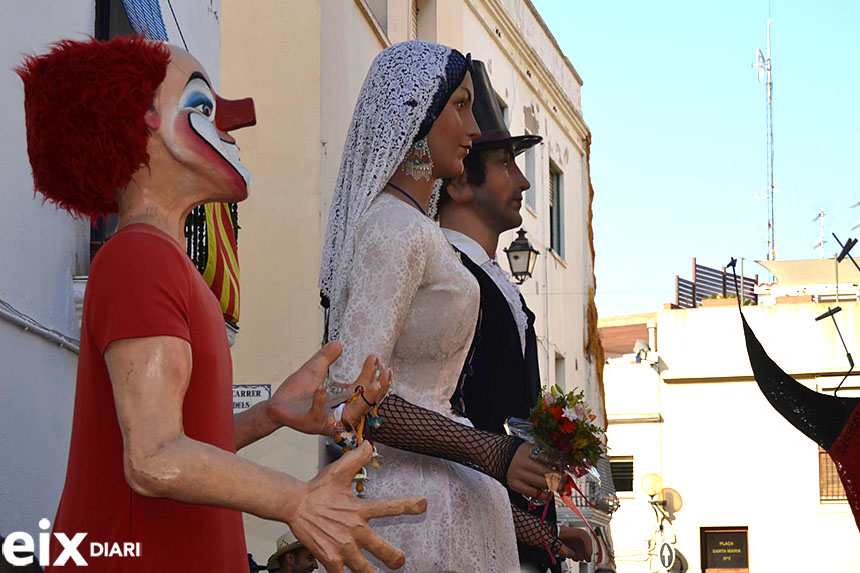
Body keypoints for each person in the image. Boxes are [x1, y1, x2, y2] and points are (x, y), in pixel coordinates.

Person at [18, 36, 425, 572]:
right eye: (202, 106)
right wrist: (295, 499)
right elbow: (154, 457)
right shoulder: (140, 257)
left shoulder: (161, 261)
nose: (234, 122)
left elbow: (183, 446)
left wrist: (268, 415)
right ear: (143, 122)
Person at [319, 40, 577, 572]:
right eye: (459, 106)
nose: (474, 128)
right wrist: (494, 452)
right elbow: (351, 398)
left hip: (447, 504)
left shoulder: (418, 232)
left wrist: (540, 531)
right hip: (410, 512)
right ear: (419, 117)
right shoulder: (392, 229)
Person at [437, 61, 594, 572]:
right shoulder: (446, 276)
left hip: (504, 531)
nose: (524, 179)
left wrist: (544, 529)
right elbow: (454, 422)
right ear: (460, 185)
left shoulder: (495, 283)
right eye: (505, 162)